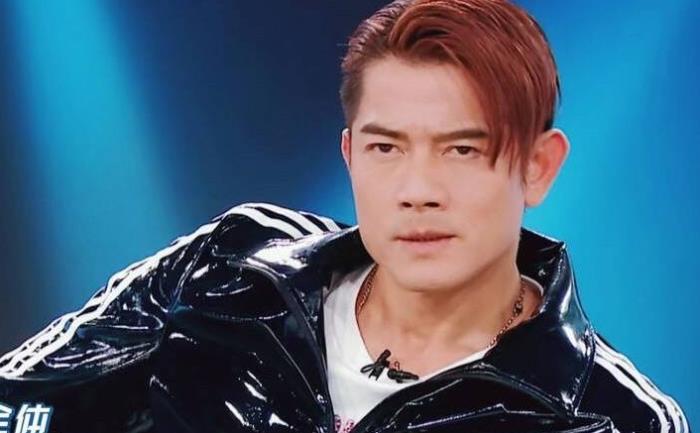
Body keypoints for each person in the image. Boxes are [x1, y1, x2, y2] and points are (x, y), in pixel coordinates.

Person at [0, 1, 690, 432]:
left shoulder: (611, 417)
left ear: (538, 166)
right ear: (350, 155)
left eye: (461, 150)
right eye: (386, 148)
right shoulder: (235, 266)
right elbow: (18, 403)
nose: (418, 190)